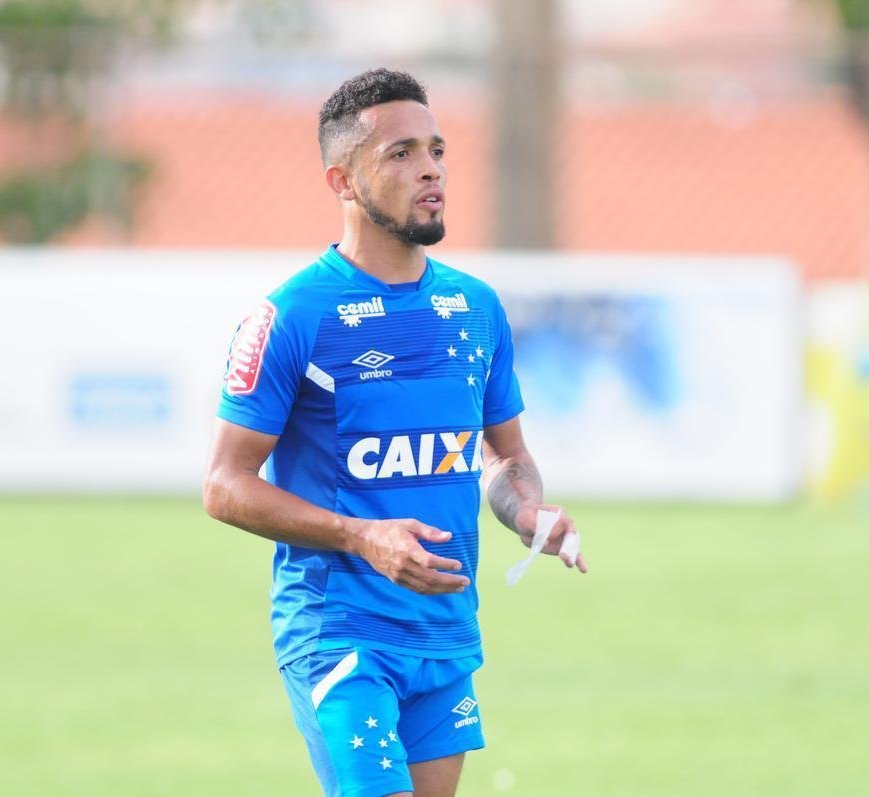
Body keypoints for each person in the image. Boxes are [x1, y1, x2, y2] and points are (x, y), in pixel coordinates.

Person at [202, 68, 586, 797]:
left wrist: (527, 511)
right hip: (339, 631)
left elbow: (504, 456)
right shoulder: (291, 316)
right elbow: (224, 486)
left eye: (437, 150)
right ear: (342, 182)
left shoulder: (477, 309)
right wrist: (361, 535)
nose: (431, 170)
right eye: (401, 154)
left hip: (444, 629)